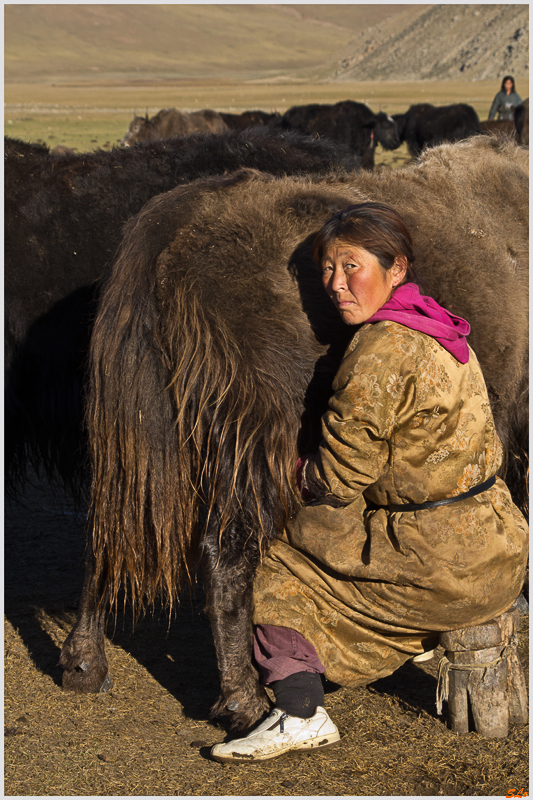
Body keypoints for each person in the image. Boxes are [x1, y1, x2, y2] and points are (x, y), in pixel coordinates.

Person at [210, 202, 528, 763]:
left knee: (277, 558)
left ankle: (299, 712)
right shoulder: (438, 325)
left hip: (437, 565)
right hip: (499, 545)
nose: (335, 285)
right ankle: (418, 641)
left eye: (351, 266)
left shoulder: (380, 351)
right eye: (327, 269)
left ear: (397, 267)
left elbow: (338, 476)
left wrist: (288, 470)